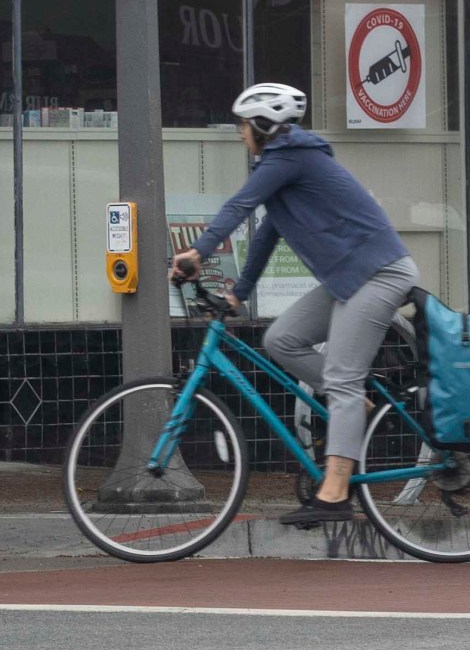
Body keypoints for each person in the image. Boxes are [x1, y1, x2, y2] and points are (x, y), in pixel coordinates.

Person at [170, 82, 417, 523]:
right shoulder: (282, 164)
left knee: (342, 378)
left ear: (263, 125)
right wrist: (238, 294)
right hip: (348, 279)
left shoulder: (293, 156)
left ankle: (337, 491)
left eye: (243, 125)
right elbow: (266, 232)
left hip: (379, 274)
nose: (239, 133)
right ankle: (352, 407)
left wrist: (198, 251)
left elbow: (240, 205)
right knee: (282, 339)